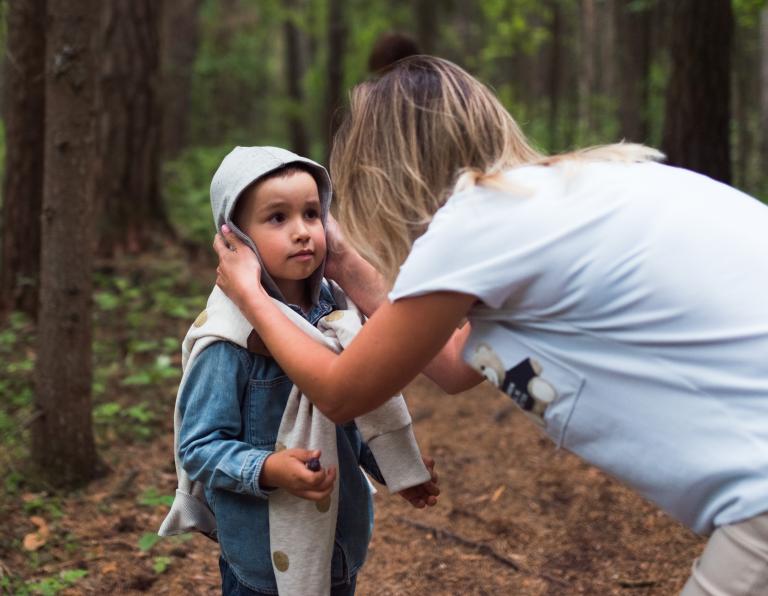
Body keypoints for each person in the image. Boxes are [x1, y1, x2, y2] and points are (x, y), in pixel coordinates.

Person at [212, 57, 768, 594]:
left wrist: (249, 293)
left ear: (382, 168)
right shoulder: (578, 186)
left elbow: (340, 391)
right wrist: (347, 265)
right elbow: (457, 366)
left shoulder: (477, 222)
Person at [160, 146, 438, 596]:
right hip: (262, 561)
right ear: (236, 241)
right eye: (277, 218)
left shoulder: (339, 312)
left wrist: (393, 466)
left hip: (340, 542)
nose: (302, 232)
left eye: (312, 214)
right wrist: (267, 468)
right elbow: (197, 445)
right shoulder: (230, 339)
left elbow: (352, 410)